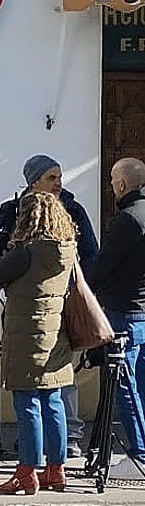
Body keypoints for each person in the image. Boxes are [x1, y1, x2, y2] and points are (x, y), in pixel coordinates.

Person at [0, 154, 98, 457]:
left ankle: (41, 453)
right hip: (36, 309)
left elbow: (91, 255)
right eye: (52, 177)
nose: (59, 184)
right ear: (33, 180)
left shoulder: (72, 209)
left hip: (40, 314)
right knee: (55, 383)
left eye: (59, 177)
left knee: (38, 387)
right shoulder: (11, 210)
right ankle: (55, 458)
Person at [0, 192, 76, 494]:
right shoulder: (67, 249)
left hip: (26, 333)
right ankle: (56, 469)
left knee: (27, 402)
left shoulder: (27, 251)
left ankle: (26, 472)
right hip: (56, 333)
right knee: (53, 400)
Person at [88, 157, 145, 481]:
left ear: (122, 184)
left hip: (123, 312)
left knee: (124, 385)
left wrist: (85, 293)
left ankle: (139, 454)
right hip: (142, 312)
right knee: (141, 384)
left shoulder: (127, 220)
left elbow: (103, 266)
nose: (111, 185)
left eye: (112, 180)